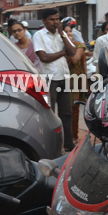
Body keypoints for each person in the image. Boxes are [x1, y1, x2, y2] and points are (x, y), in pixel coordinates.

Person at [33, 8, 77, 151]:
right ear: (44, 21)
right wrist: (63, 52)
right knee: (50, 114)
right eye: (52, 19)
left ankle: (69, 144)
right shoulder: (39, 35)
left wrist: (63, 35)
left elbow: (72, 52)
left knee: (66, 113)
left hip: (64, 77)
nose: (55, 22)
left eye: (57, 19)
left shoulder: (61, 34)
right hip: (49, 79)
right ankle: (51, 145)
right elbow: (44, 57)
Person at [63, 24, 87, 145]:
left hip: (76, 80)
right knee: (63, 109)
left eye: (70, 31)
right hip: (62, 79)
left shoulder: (79, 45)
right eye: (65, 32)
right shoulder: (59, 46)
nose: (69, 34)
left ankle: (74, 135)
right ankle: (65, 135)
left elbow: (75, 60)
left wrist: (67, 46)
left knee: (74, 109)